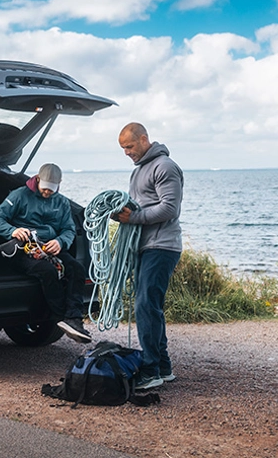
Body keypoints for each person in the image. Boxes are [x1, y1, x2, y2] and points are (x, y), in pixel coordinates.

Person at [0, 163, 92, 343]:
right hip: (22, 250)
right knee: (47, 271)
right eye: (45, 188)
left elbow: (68, 229)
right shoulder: (20, 195)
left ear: (59, 183)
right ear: (37, 179)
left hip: (49, 248)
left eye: (51, 189)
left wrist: (60, 242)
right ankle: (61, 317)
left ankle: (74, 319)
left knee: (77, 269)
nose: (47, 192)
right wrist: (13, 231)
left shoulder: (61, 202)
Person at [115, 122, 183, 390]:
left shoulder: (164, 167)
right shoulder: (139, 171)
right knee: (150, 306)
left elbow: (169, 208)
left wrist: (134, 218)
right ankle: (163, 367)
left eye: (129, 146)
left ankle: (150, 370)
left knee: (145, 305)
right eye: (123, 148)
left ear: (144, 139)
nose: (127, 152)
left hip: (162, 246)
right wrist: (121, 213)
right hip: (146, 245)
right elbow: (140, 206)